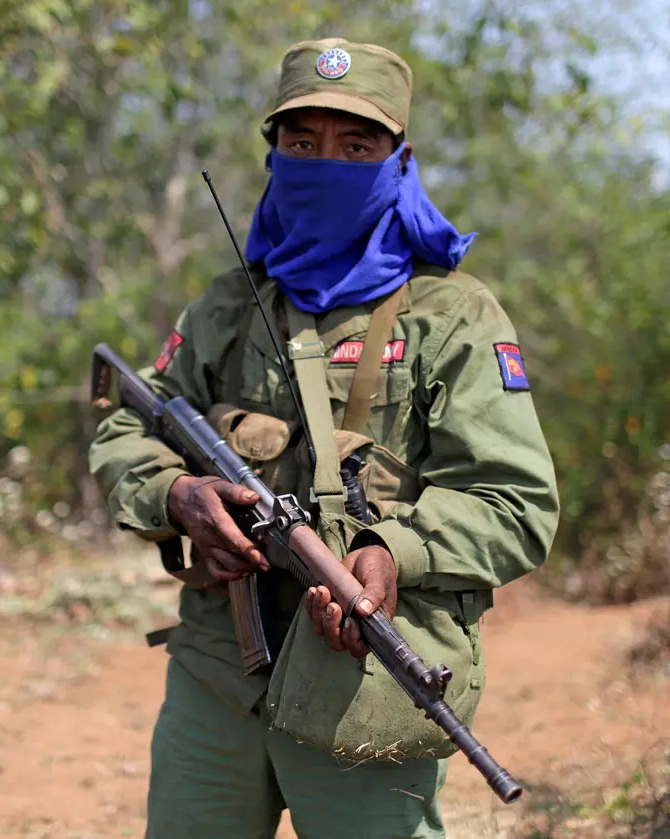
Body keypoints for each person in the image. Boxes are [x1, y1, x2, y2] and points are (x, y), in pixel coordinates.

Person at [89, 36, 559, 839]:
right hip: (217, 672)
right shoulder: (230, 308)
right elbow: (132, 423)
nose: (325, 162)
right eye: (302, 143)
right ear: (273, 153)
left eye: (355, 145)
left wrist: (392, 552)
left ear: (398, 158)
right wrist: (178, 493)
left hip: (366, 676)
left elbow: (516, 504)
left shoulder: (451, 316)